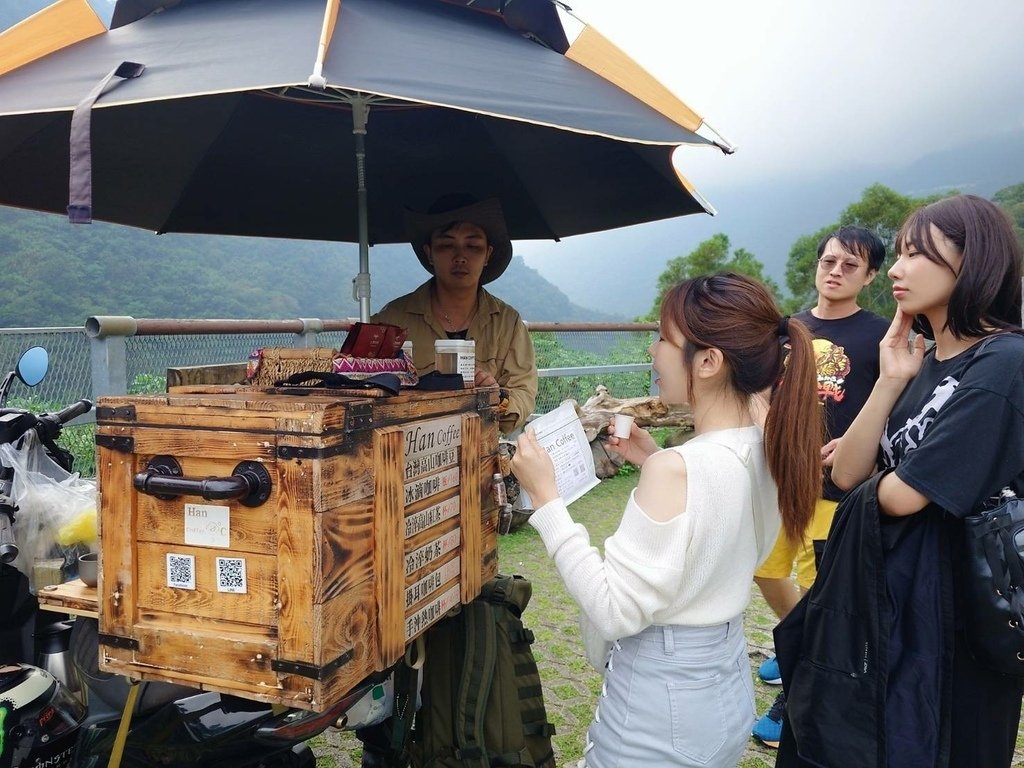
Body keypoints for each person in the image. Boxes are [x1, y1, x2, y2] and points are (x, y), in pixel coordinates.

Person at [511, 272, 823, 767]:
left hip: (660, 705)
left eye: (663, 337)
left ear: (708, 361)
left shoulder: (677, 471)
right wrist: (653, 456)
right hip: (723, 688)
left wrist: (547, 501)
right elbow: (727, 534)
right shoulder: (767, 446)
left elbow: (613, 609)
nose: (653, 351)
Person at [777, 195, 1024, 768]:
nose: (895, 268)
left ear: (972, 263)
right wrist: (889, 380)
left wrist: (887, 477)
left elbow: (904, 495)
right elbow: (848, 472)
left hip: (959, 616)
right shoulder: (928, 360)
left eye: (916, 253)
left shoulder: (1004, 364)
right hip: (894, 603)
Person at [750, 227, 889, 746]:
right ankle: (800, 639)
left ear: (870, 275)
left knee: (821, 585)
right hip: (779, 477)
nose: (835, 271)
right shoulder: (789, 330)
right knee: (765, 569)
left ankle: (801, 679)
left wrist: (861, 448)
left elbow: (893, 405)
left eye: (849, 266)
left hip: (836, 487)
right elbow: (764, 392)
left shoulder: (879, 335)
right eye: (829, 261)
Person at [371, 194, 537, 433]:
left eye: (472, 246)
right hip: (410, 453)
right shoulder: (392, 322)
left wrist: (497, 397)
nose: (460, 256)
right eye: (447, 245)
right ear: (429, 253)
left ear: (488, 254)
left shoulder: (507, 323)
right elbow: (366, 393)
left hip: (480, 454)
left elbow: (523, 393)